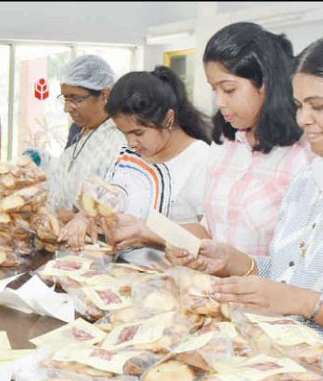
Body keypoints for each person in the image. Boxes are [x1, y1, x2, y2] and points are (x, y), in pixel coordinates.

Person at [167, 31, 323, 341]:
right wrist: (239, 263)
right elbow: (291, 271)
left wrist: (304, 303)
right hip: (292, 360)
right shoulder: (313, 178)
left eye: (318, 106)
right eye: (300, 105)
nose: (303, 119)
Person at [61, 66, 212, 256]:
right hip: (124, 272)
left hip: (171, 278)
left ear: (168, 119)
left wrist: (149, 231)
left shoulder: (201, 161)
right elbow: (111, 203)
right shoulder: (130, 152)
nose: (131, 142)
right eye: (124, 133)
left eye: (138, 133)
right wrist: (85, 217)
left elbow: (209, 239)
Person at [198, 22, 315, 256]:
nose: (219, 102)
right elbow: (211, 229)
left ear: (265, 83)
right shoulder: (226, 143)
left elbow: (300, 261)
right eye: (214, 90)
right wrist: (151, 232)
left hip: (266, 291)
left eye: (229, 89)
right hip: (214, 288)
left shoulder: (305, 156)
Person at [49, 55, 126, 227]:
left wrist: (73, 217)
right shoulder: (78, 130)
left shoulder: (120, 139)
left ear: (105, 95)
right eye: (65, 98)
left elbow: (116, 205)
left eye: (76, 99)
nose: (67, 108)